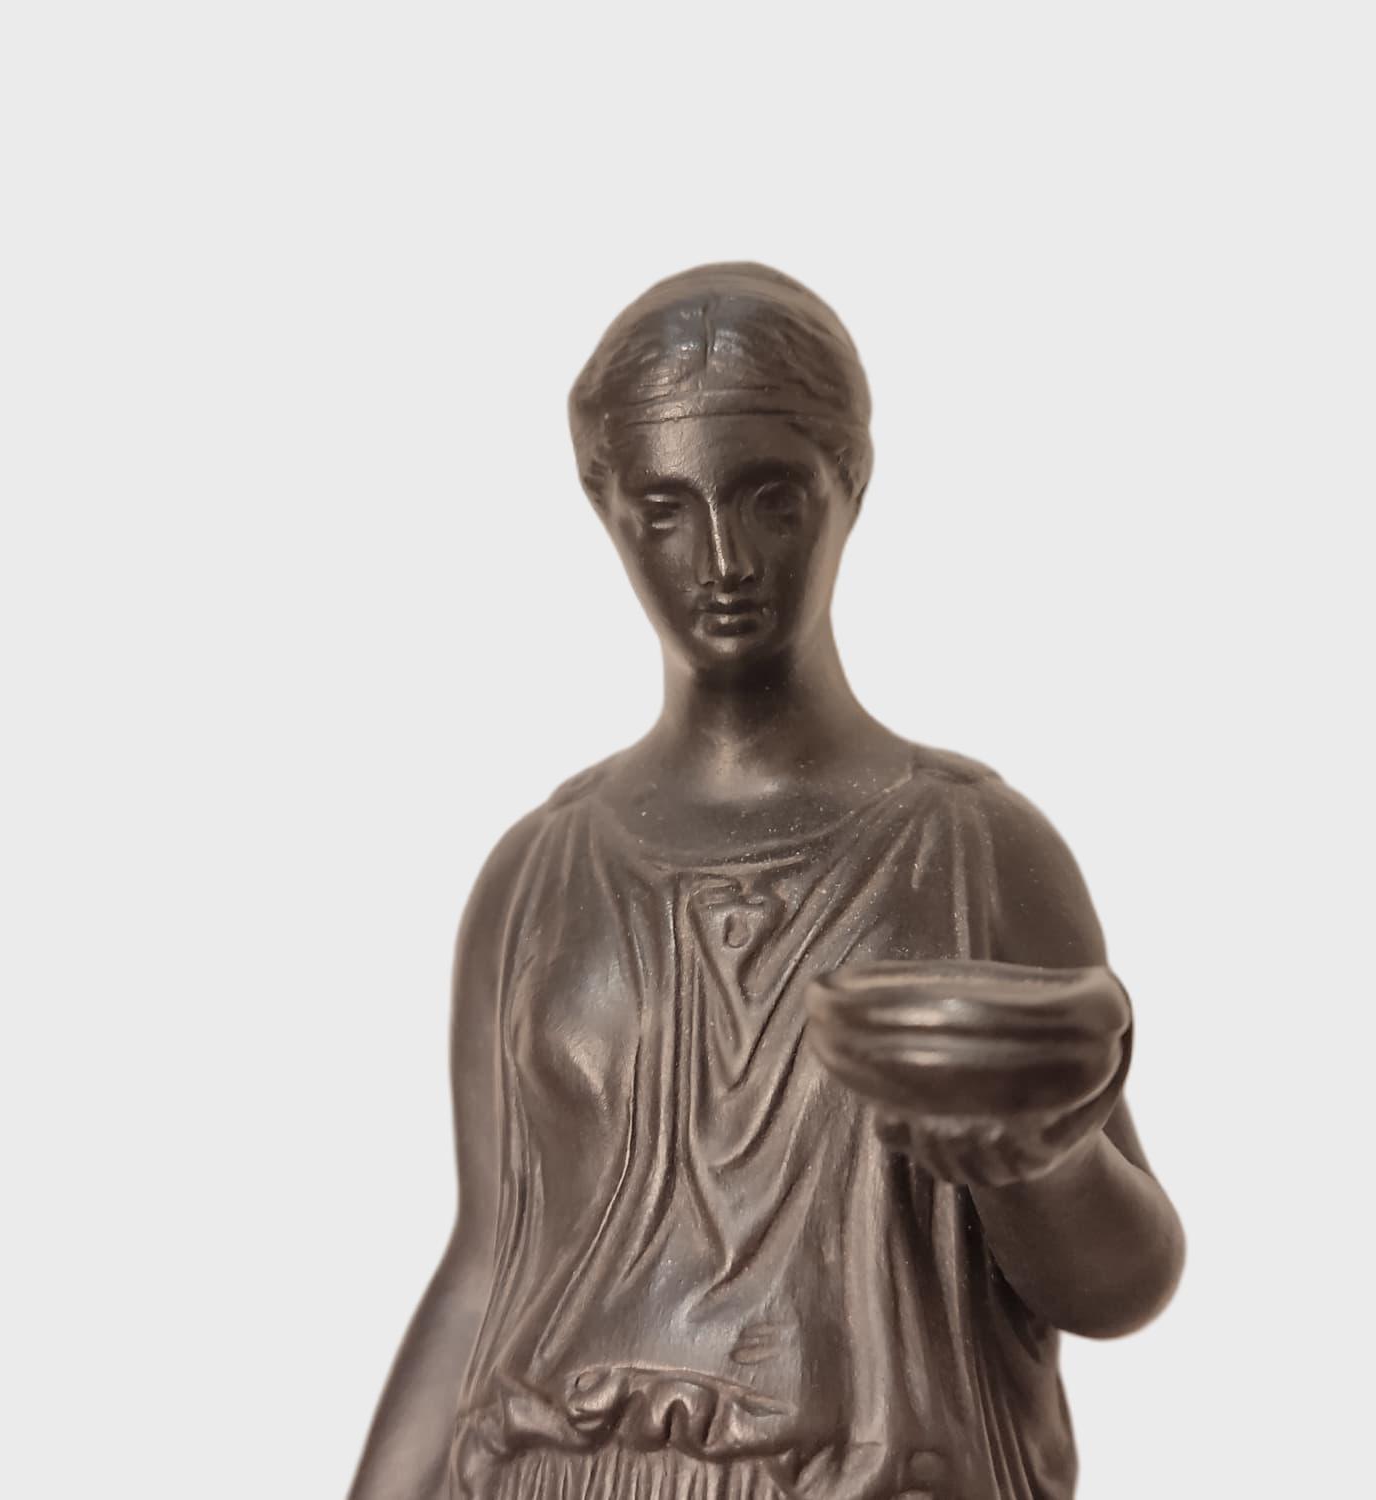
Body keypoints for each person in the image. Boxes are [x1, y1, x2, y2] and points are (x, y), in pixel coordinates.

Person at [347, 264, 1184, 1500]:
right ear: (604, 508)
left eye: (771, 499)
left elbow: (1123, 1282)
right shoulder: (535, 877)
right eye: (666, 509)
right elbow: (483, 1267)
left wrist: (1037, 1160)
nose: (723, 558)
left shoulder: (973, 853)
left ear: (852, 482)